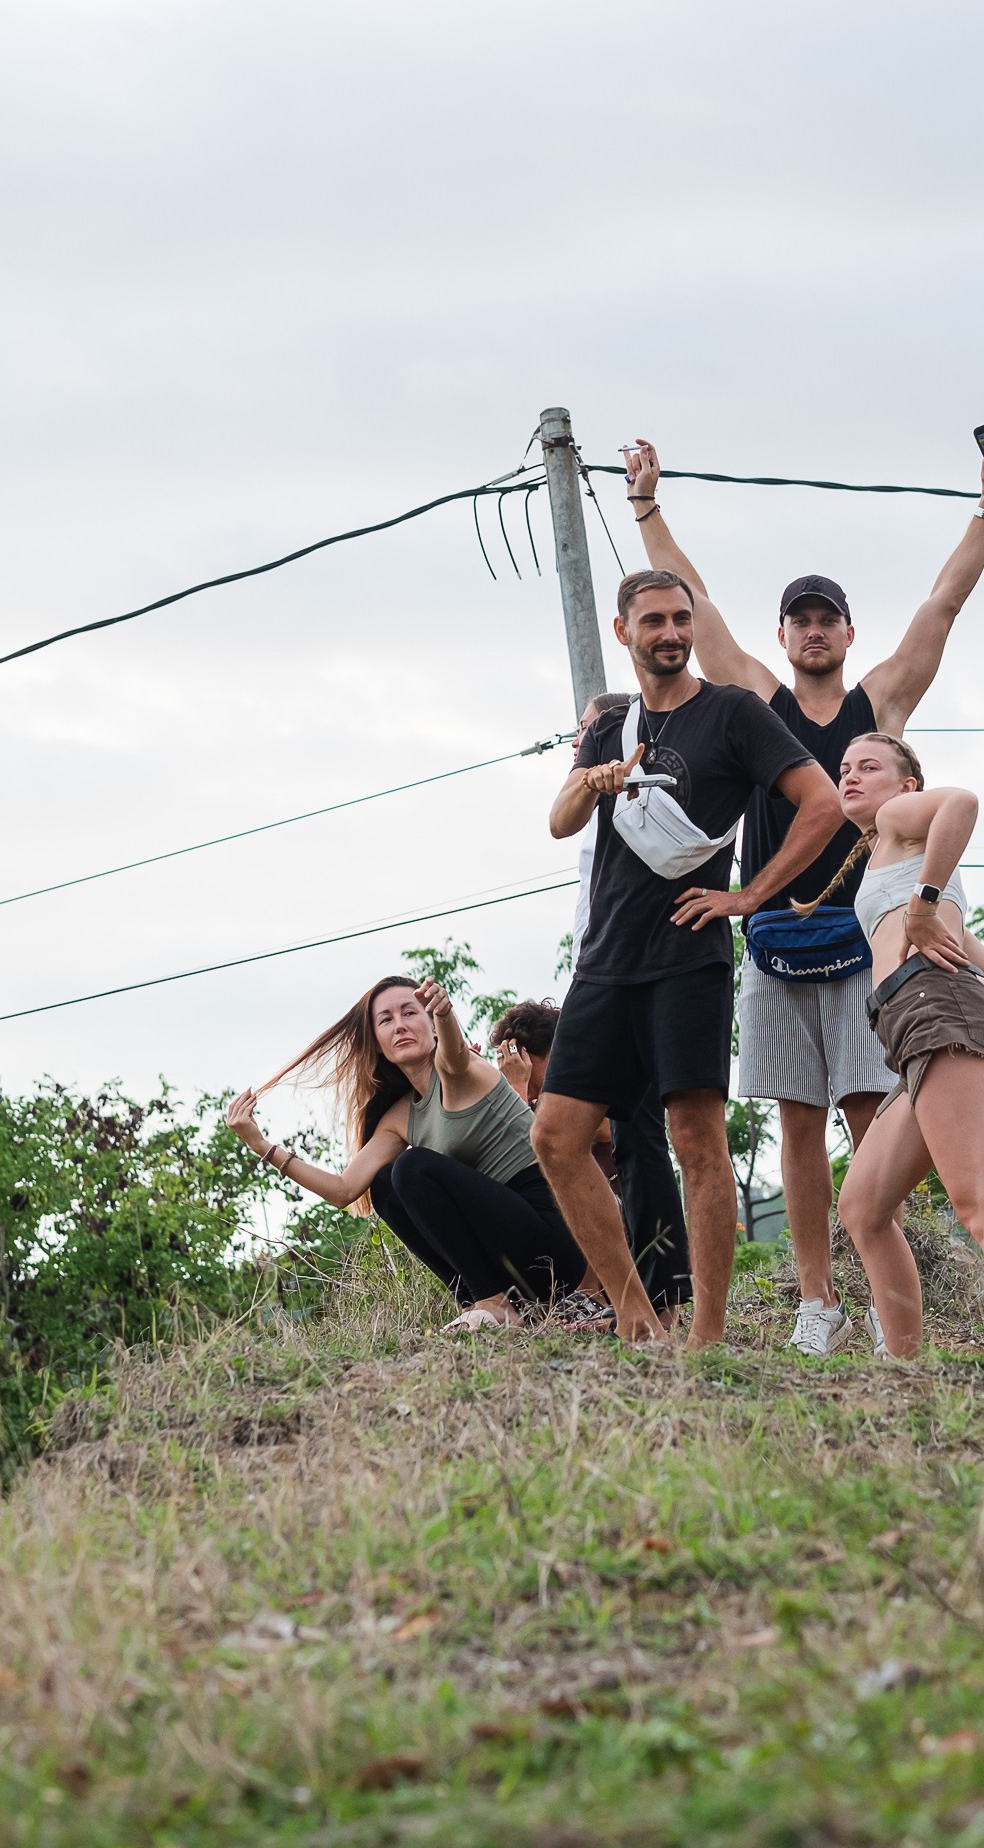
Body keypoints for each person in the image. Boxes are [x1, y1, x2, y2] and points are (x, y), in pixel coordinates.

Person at [622, 431, 984, 1358]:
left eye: (826, 619)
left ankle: (900, 1292)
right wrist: (647, 506)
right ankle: (817, 1301)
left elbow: (943, 604)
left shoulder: (876, 711)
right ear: (783, 636)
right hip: (773, 937)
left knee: (871, 1114)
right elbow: (699, 604)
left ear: (846, 635)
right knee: (796, 1125)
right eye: (798, 619)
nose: (812, 630)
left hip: (865, 949)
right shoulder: (756, 699)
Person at [532, 568, 843, 1348]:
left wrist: (746, 896)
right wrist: (593, 779)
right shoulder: (611, 725)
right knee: (556, 1139)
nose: (669, 633)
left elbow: (824, 803)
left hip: (688, 958)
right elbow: (560, 821)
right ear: (623, 633)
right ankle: (635, 1311)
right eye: (654, 622)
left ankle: (704, 1339)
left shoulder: (733, 713)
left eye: (680, 619)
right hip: (604, 960)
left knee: (696, 1141)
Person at [814, 733, 984, 1358]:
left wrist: (923, 908)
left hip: (939, 1018)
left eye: (869, 767)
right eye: (844, 768)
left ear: (906, 786)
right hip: (924, 1026)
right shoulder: (896, 857)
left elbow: (964, 802)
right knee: (862, 1207)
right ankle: (905, 1366)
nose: (851, 777)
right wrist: (932, 925)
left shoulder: (899, 822)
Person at [225, 974, 586, 1330]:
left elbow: (455, 1052)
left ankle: (492, 1302)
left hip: (556, 1240)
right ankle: (485, 1301)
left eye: (411, 1013)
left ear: (431, 1025)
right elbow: (342, 1191)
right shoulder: (399, 1116)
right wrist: (262, 1146)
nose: (399, 1025)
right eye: (386, 1019)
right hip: (511, 1256)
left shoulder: (463, 1070)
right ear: (378, 1044)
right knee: (385, 1183)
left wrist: (445, 1012)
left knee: (412, 1166)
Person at [490, 993, 691, 1326]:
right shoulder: (537, 1107)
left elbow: (560, 1147)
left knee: (575, 1182)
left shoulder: (603, 1107)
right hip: (574, 1258)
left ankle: (599, 1297)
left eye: (522, 1063)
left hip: (632, 1245)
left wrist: (522, 1094)